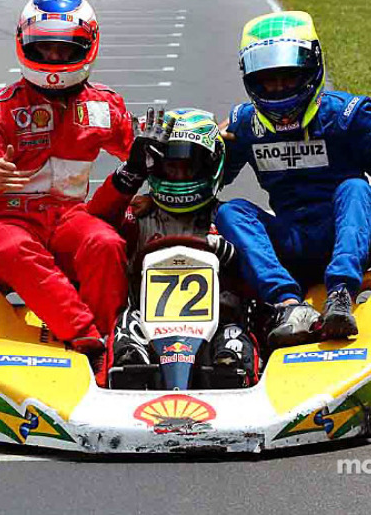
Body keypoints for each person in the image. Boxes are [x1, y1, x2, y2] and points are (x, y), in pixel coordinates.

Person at [0, 0, 134, 363]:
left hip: (68, 218)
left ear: (86, 47)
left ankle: (117, 347)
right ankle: (87, 341)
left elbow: (140, 150)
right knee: (13, 249)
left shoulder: (104, 105)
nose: (52, 57)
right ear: (24, 44)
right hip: (7, 220)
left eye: (63, 49)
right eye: (44, 48)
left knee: (105, 243)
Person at [215, 11, 371, 348]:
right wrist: (205, 147)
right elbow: (211, 180)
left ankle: (341, 296)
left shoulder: (349, 114)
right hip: (292, 242)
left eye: (288, 76)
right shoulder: (244, 124)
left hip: (349, 239)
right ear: (251, 78)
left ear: (311, 68)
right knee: (231, 211)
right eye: (269, 79)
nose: (279, 87)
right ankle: (288, 305)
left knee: (355, 188)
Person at [88, 108, 259, 388]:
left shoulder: (229, 219)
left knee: (233, 334)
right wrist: (131, 172)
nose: (179, 175)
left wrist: (229, 253)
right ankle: (129, 368)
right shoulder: (138, 215)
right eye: (170, 167)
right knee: (127, 323)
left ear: (210, 167)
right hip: (147, 327)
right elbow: (96, 220)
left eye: (188, 167)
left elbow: (259, 271)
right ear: (154, 168)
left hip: (219, 325)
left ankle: (230, 371)